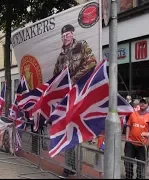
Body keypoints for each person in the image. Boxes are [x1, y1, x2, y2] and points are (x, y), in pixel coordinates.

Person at [53, 24, 97, 177]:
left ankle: (74, 166)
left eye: (68, 34)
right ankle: (69, 166)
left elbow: (92, 62)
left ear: (72, 34)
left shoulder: (81, 46)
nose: (65, 37)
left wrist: (73, 79)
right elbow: (56, 77)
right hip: (67, 97)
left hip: (81, 92)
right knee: (68, 130)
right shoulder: (60, 57)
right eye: (63, 36)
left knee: (77, 130)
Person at [124, 98, 149, 179]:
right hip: (131, 144)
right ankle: (128, 177)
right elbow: (128, 126)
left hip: (142, 146)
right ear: (139, 104)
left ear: (148, 105)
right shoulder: (133, 114)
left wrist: (148, 143)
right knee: (128, 164)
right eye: (141, 102)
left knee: (140, 167)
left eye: (145, 103)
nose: (143, 104)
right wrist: (127, 139)